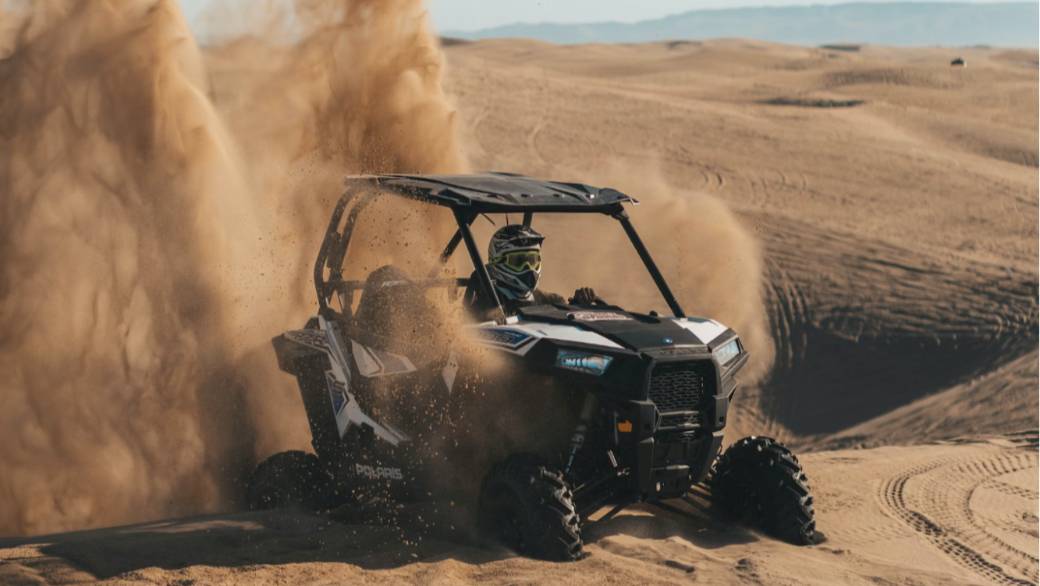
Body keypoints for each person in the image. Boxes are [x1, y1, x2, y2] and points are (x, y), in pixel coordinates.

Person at [465, 224, 603, 317]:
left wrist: (578, 307)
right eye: (519, 262)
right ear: (497, 262)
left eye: (532, 261)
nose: (528, 269)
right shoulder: (485, 303)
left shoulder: (551, 301)